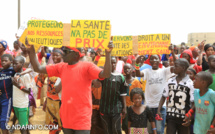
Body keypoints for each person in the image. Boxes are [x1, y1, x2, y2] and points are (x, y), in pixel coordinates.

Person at [26, 38, 113, 134]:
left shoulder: (87, 66)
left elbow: (106, 74)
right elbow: (37, 68)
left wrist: (108, 53)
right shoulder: (61, 66)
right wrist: (31, 49)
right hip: (66, 118)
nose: (63, 53)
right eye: (63, 51)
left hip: (82, 118)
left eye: (67, 51)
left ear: (76, 54)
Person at [135, 55, 174, 134]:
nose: (154, 60)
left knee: (159, 130)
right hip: (149, 106)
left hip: (161, 107)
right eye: (152, 59)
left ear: (159, 60)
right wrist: (136, 64)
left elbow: (175, 67)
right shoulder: (147, 71)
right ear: (150, 61)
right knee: (150, 131)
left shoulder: (164, 71)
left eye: (156, 58)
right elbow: (138, 74)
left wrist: (172, 53)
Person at [157, 58, 194, 134]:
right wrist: (159, 109)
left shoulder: (190, 83)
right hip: (171, 115)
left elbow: (193, 102)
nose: (173, 67)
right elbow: (164, 96)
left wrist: (190, 116)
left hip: (184, 117)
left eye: (176, 66)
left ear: (183, 68)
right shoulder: (170, 81)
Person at [98, 56, 127, 134]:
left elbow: (123, 93)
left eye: (114, 62)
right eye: (110, 62)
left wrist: (124, 107)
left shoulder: (120, 77)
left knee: (116, 129)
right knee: (107, 130)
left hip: (116, 107)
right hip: (104, 107)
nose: (112, 64)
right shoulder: (101, 75)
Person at [44, 49, 63, 134]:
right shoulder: (50, 67)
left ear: (62, 57)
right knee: (53, 126)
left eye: (57, 55)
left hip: (61, 101)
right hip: (50, 101)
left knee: (62, 125)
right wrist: (45, 101)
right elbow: (47, 84)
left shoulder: (64, 68)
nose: (54, 57)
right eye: (53, 55)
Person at [12, 56, 31, 134]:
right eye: (13, 64)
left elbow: (29, 91)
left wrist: (18, 85)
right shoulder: (16, 74)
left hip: (23, 105)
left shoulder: (26, 76)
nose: (14, 66)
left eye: (16, 64)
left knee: (22, 128)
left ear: (22, 64)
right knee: (24, 126)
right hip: (16, 104)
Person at [122, 63, 142, 134]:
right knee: (125, 126)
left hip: (133, 107)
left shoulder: (136, 81)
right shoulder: (122, 80)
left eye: (128, 68)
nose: (127, 70)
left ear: (132, 70)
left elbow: (139, 95)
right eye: (125, 69)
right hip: (124, 106)